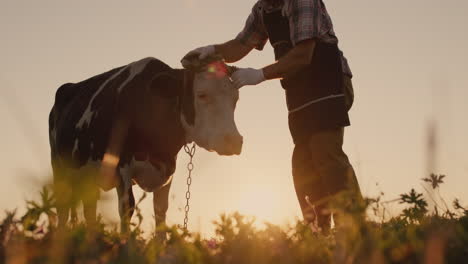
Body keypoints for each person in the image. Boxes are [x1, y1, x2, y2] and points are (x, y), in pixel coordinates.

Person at [184, 0, 362, 231]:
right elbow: (240, 45)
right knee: (303, 164)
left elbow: (303, 55)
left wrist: (260, 74)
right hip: (299, 88)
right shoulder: (262, 9)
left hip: (328, 80)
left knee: (325, 151)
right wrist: (213, 52)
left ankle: (355, 229)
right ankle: (319, 232)